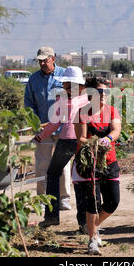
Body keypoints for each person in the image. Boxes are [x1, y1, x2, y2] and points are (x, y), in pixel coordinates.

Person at [36, 66, 89, 228]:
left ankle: (63, 218)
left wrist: (41, 135)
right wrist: (42, 135)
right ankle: (81, 222)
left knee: (65, 177)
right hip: (72, 140)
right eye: (66, 84)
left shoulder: (85, 99)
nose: (67, 87)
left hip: (75, 141)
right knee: (71, 177)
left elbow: (55, 122)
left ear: (80, 86)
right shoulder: (84, 98)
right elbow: (55, 122)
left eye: (69, 84)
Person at [74, 77, 122, 256]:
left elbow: (116, 130)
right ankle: (92, 241)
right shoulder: (82, 113)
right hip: (90, 163)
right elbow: (81, 138)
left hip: (109, 162)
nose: (104, 96)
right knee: (93, 202)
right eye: (100, 92)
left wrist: (108, 139)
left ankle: (92, 226)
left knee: (113, 201)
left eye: (106, 92)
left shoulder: (112, 111)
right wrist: (95, 143)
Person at [24, 47, 72, 210]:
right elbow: (29, 103)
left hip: (63, 128)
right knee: (42, 165)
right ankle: (42, 200)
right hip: (43, 130)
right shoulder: (33, 79)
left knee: (63, 164)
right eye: (40, 61)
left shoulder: (65, 75)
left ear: (54, 58)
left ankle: (64, 198)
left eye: (46, 60)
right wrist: (35, 122)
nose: (43, 63)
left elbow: (75, 96)